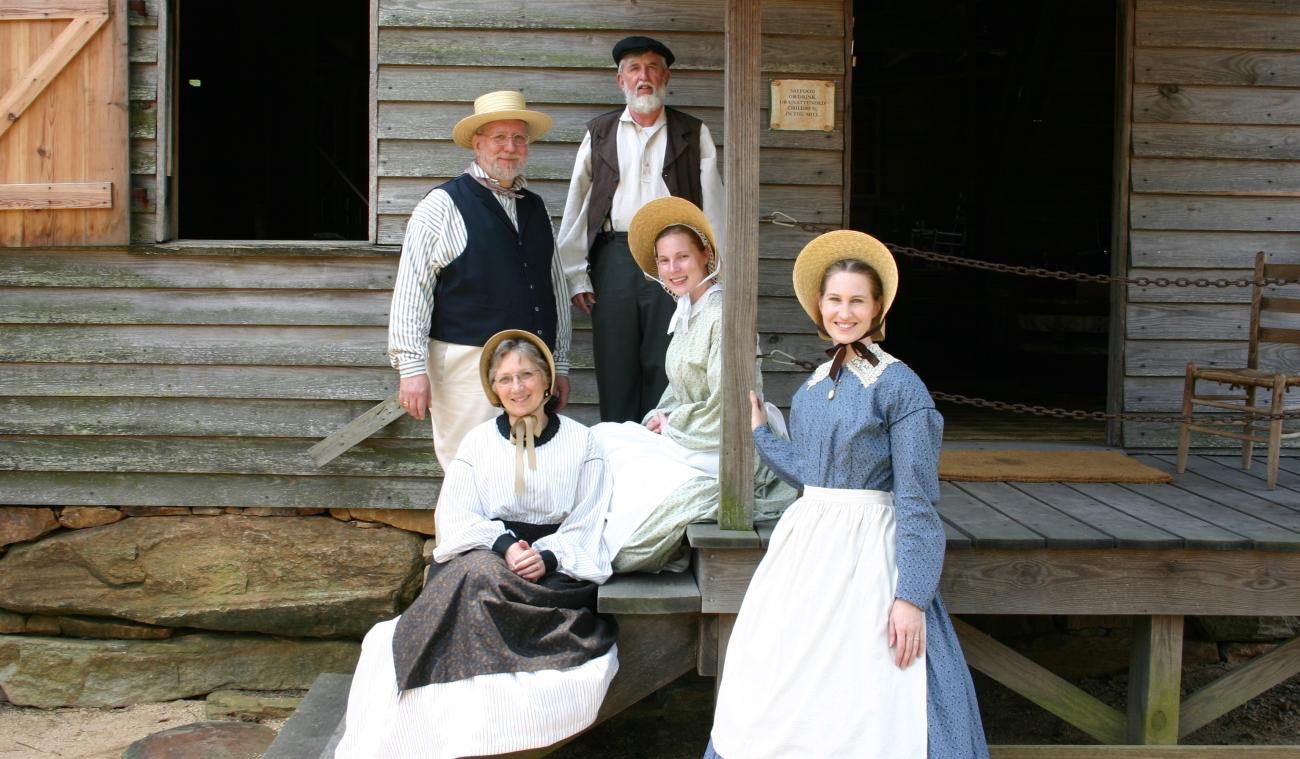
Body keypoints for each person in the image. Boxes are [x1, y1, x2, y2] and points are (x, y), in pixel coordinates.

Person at [707, 231, 989, 758]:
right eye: (835, 299)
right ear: (819, 304)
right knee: (789, 679)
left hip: (869, 559)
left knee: (871, 690)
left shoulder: (901, 387)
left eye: (857, 300)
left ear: (878, 306)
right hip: (806, 556)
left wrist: (911, 597)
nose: (844, 311)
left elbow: (916, 498)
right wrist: (764, 436)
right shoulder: (813, 384)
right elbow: (813, 477)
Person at [336, 329, 617, 759]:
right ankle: (430, 726)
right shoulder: (478, 442)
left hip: (553, 575)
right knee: (477, 573)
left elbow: (589, 521)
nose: (516, 387)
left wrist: (546, 556)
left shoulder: (583, 443)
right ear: (493, 387)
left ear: (546, 381)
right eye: (505, 379)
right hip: (488, 556)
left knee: (477, 581)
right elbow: (456, 517)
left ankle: (484, 729)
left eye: (526, 375)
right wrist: (504, 544)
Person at [595, 197, 794, 574]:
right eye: (664, 261)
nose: (673, 269)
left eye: (682, 257)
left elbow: (730, 406)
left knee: (633, 474)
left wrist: (673, 425)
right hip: (694, 433)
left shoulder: (723, 314)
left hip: (727, 441)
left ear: (705, 254)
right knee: (606, 439)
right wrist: (660, 415)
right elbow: (679, 388)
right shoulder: (688, 313)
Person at [388, 90, 572, 468]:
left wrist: (561, 364)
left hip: (529, 369)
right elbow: (412, 289)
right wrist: (411, 369)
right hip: (465, 367)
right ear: (477, 144)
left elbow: (554, 289)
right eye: (499, 138)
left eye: (519, 138)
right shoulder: (442, 205)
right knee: (467, 468)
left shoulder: (535, 208)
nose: (510, 148)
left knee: (521, 470)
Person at [556, 35, 724, 423]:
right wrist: (576, 276)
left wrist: (711, 276)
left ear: (665, 77)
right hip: (614, 258)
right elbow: (578, 206)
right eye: (634, 69)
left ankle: (662, 457)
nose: (643, 77)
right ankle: (619, 462)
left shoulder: (692, 132)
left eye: (652, 68)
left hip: (674, 264)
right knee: (615, 368)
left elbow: (714, 208)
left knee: (667, 364)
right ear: (621, 81)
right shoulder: (600, 132)